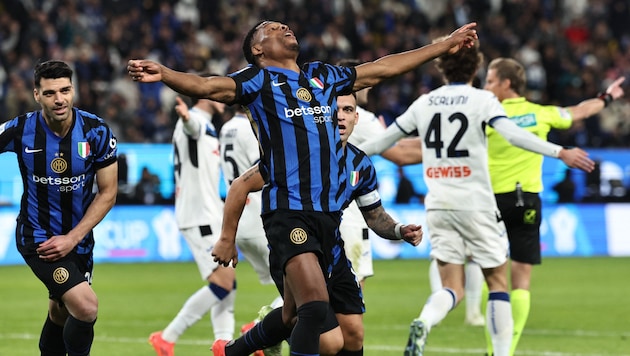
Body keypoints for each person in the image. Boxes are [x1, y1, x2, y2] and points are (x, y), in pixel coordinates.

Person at [128, 20, 477, 356]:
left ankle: (235, 351)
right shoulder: (258, 80)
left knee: (292, 316)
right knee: (314, 308)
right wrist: (166, 74)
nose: (283, 27)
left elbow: (383, 68)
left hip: (327, 221)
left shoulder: (323, 76)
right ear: (258, 48)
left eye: (284, 25)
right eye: (272, 28)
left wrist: (443, 46)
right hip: (288, 212)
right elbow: (207, 87)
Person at [358, 39, 594, 356]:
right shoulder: (483, 100)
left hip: (439, 205)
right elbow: (513, 135)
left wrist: (334, 152)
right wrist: (560, 151)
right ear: (477, 69)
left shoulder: (425, 103)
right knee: (498, 282)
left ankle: (424, 322)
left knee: (450, 287)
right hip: (478, 203)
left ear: (441, 67)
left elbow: (383, 143)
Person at [212, 93, 423, 356]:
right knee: (327, 339)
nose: (341, 115)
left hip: (333, 253)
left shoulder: (361, 164)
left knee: (352, 334)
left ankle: (236, 350)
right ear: (322, 116)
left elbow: (375, 215)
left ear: (356, 117)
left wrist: (399, 230)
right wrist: (226, 239)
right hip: (294, 241)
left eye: (348, 110)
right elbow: (240, 184)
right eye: (336, 110)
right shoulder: (295, 155)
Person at [482, 57, 625, 355]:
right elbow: (582, 111)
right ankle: (505, 351)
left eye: (491, 81)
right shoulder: (541, 114)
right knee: (521, 280)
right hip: (528, 199)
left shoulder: (485, 115)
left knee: (493, 277)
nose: (486, 86)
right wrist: (608, 96)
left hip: (490, 201)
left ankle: (492, 347)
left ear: (507, 84)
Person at [0, 60, 118, 356]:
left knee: (60, 313)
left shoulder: (97, 131)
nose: (60, 99)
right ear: (37, 94)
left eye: (65, 90)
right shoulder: (20, 129)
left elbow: (108, 193)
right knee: (87, 307)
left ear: (73, 90)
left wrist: (74, 238)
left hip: (77, 240)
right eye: (51, 93)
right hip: (39, 238)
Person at [148, 91, 236, 356]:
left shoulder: (208, 125)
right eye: (219, 93)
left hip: (209, 214)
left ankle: (223, 342)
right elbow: (191, 127)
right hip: (199, 216)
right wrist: (186, 118)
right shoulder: (195, 122)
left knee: (228, 281)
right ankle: (167, 336)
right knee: (223, 282)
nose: (225, 98)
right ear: (204, 95)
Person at [336, 58, 423, 289]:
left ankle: (266, 322)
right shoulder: (360, 117)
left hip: (332, 211)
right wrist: (445, 147)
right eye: (368, 79)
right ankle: (263, 323)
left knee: (319, 289)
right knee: (350, 291)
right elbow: (401, 154)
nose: (371, 86)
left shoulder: (326, 112)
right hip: (351, 215)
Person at [218, 106, 284, 355]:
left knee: (292, 291)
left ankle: (264, 330)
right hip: (260, 219)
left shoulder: (226, 128)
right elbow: (267, 168)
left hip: (239, 221)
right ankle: (260, 330)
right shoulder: (250, 129)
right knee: (301, 290)